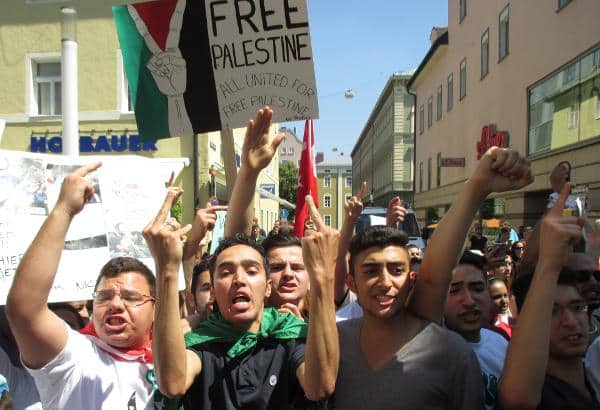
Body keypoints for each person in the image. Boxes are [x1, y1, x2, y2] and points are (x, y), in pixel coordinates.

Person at [148, 107, 339, 409]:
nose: (239, 279)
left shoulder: (289, 335)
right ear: (213, 287)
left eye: (252, 271)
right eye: (225, 272)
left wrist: (325, 276)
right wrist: (167, 270)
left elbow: (320, 385)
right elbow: (172, 382)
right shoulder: (203, 341)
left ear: (267, 287)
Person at [332, 146, 533, 409]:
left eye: (396, 270)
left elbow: (435, 275)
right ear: (352, 283)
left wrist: (477, 187)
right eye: (370, 270)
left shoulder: (450, 353)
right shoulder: (333, 342)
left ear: (412, 280)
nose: (384, 282)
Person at [6, 162, 158, 409]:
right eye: (104, 297)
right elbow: (24, 310)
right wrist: (63, 210)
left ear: (156, 310)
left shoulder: (172, 364)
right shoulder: (75, 357)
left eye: (130, 297)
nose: (116, 304)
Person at [499, 183, 600, 409]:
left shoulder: (592, 379)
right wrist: (549, 263)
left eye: (576, 307)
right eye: (552, 311)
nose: (570, 322)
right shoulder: (534, 395)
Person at [443, 251, 509, 409]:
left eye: (477, 288)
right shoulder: (431, 356)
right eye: (455, 290)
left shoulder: (501, 342)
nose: (469, 301)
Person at [262, 231, 310, 319]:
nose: (288, 274)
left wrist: (301, 329)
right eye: (277, 267)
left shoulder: (328, 317)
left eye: (296, 267)